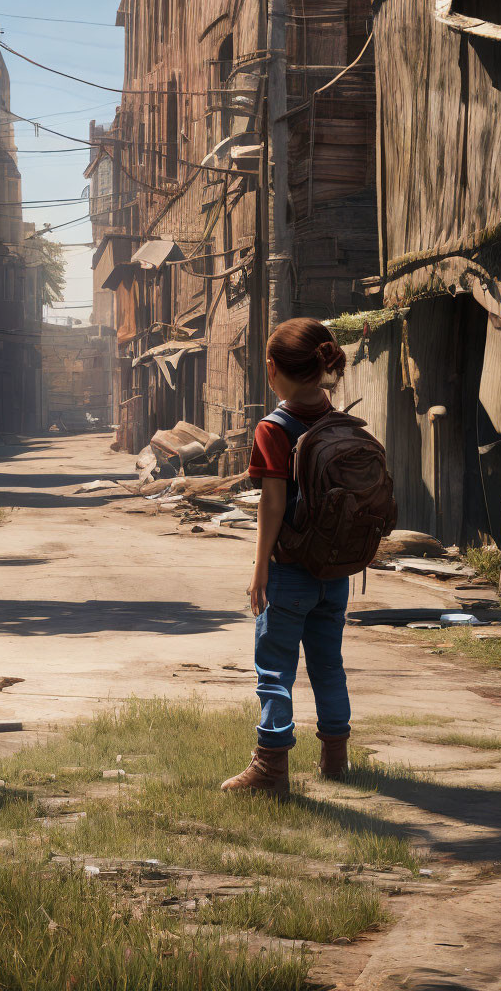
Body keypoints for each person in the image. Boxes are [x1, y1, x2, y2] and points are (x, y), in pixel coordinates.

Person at [221, 317, 350, 796]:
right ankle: (335, 760)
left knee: (275, 669)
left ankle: (270, 769)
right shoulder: (339, 420)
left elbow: (272, 504)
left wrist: (260, 571)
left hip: (291, 571)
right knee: (328, 665)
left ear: (272, 369)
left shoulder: (275, 428)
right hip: (335, 570)